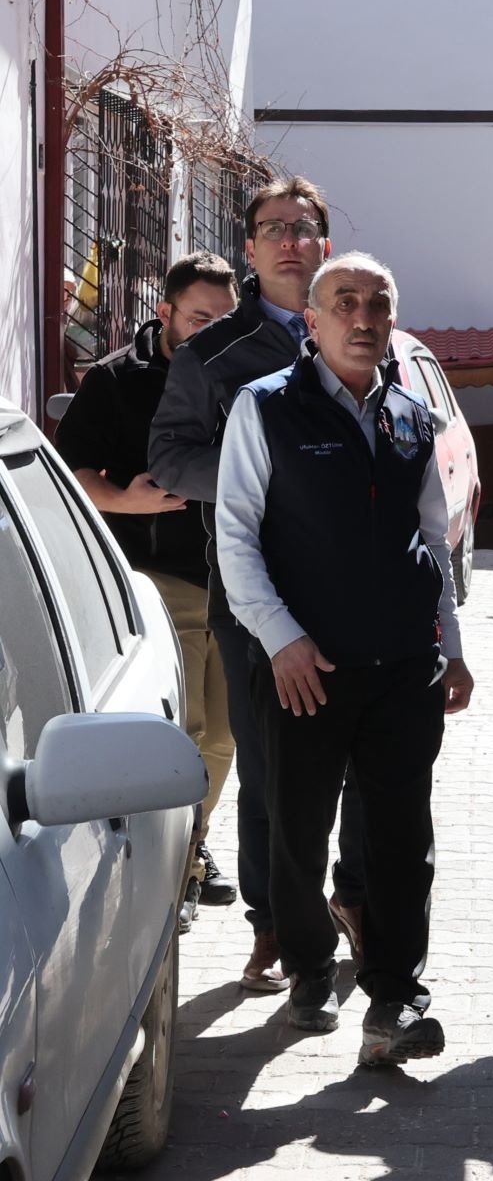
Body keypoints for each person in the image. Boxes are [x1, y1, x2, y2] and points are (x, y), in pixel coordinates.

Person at [215, 252, 474, 1062]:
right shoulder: (265, 408)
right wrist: (281, 640)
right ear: (314, 321)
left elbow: (431, 541)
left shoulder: (411, 417)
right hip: (306, 670)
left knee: (402, 837)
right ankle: (308, 968)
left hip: (403, 666)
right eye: (346, 303)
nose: (364, 319)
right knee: (299, 829)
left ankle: (394, 1000)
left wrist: (453, 648)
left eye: (378, 305)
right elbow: (234, 537)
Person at [149, 176, 370, 991]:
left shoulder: (362, 333)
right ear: (249, 248)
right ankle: (273, 922)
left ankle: (352, 898)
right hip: (253, 598)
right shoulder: (212, 354)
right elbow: (170, 459)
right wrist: (269, 475)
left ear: (323, 243)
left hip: (357, 597)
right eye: (272, 228)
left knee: (364, 764)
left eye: (302, 227)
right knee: (272, 774)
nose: (288, 241)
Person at [55, 252, 242, 931]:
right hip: (160, 579)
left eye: (225, 320)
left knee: (223, 739)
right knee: (182, 733)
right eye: (198, 318)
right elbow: (71, 474)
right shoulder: (116, 380)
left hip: (241, 580)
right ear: (164, 312)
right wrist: (127, 503)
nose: (213, 332)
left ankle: (190, 848)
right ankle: (173, 879)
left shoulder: (247, 372)